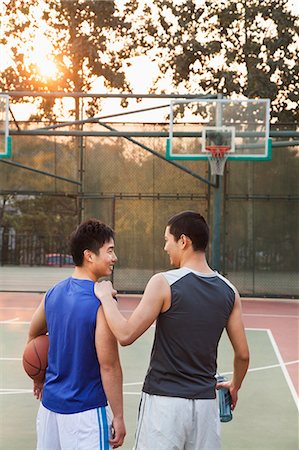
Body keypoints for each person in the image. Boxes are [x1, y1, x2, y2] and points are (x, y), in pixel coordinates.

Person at [94, 210, 250, 450]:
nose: (166, 247)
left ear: (183, 241)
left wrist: (105, 297)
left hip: (164, 405)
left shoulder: (164, 282)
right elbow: (243, 355)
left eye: (167, 240)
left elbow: (125, 335)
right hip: (206, 408)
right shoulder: (230, 291)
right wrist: (235, 385)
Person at [26, 219, 126, 450]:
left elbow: (33, 336)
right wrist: (118, 417)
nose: (114, 258)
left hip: (49, 410)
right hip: (86, 414)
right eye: (110, 251)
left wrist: (38, 379)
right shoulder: (101, 300)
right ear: (89, 255)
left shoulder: (53, 293)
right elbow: (109, 365)